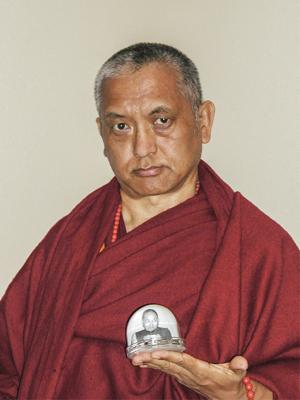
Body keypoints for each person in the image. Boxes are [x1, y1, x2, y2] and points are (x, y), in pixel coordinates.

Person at [0, 43, 299, 400]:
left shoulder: (255, 247)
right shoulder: (70, 242)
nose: (142, 147)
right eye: (122, 126)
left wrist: (243, 394)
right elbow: (7, 365)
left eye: (161, 121)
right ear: (103, 135)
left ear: (203, 122)